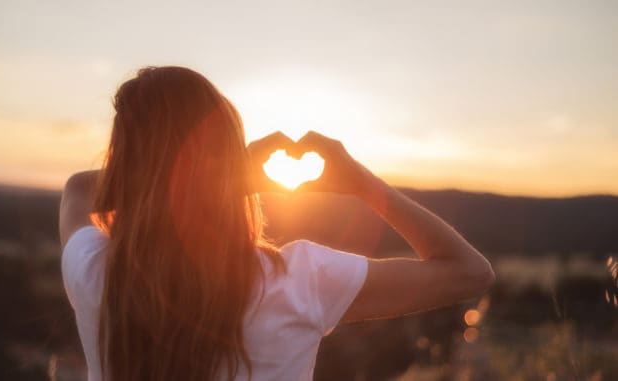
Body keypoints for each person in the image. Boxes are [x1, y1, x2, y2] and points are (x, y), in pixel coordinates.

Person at [59, 66, 495, 381]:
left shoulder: (95, 271)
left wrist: (195, 179)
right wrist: (361, 183)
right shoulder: (300, 281)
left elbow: (80, 189)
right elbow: (469, 272)